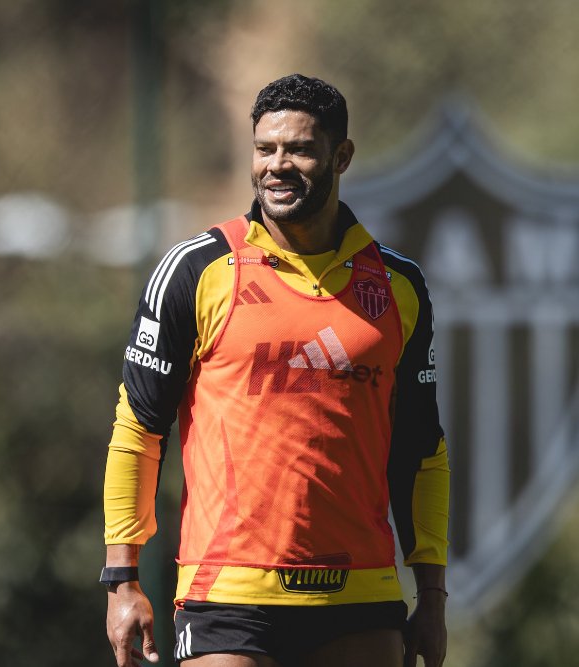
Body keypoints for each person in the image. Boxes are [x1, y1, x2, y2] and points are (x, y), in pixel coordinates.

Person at [102, 74, 449, 667]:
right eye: (265, 150)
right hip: (226, 597)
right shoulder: (197, 270)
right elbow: (139, 430)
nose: (278, 166)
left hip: (363, 595)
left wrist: (434, 598)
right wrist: (121, 579)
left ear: (342, 156)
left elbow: (422, 450)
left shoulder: (399, 286)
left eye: (300, 149)